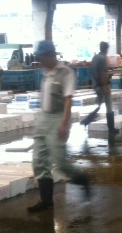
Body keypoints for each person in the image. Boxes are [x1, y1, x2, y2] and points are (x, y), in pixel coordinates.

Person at [28, 40, 90, 212]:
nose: (40, 61)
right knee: (39, 160)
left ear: (51, 55)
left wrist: (64, 124)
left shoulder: (66, 73)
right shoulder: (46, 73)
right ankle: (46, 200)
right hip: (44, 118)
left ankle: (83, 179)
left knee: (60, 161)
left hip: (58, 118)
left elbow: (68, 99)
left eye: (42, 57)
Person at [80, 41, 119, 134]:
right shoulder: (103, 58)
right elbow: (103, 73)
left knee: (99, 105)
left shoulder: (95, 57)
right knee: (109, 106)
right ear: (106, 49)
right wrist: (105, 86)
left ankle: (87, 120)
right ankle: (111, 128)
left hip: (96, 85)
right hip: (102, 85)